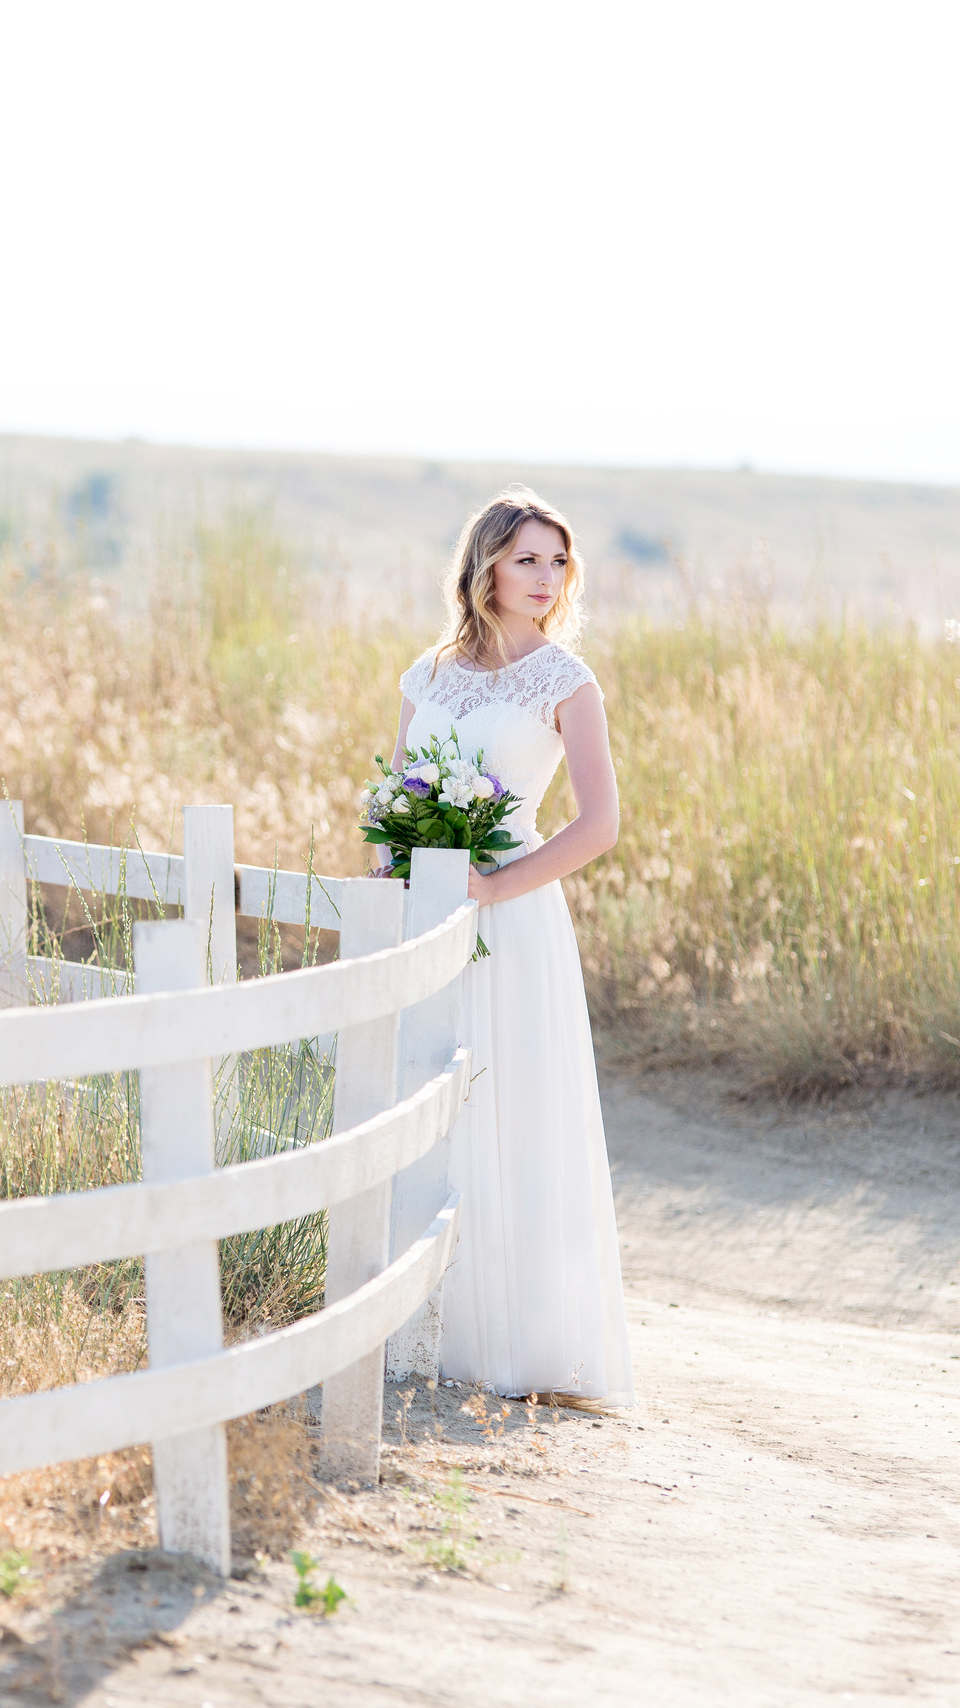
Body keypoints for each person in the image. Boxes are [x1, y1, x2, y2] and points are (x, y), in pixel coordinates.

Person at [390, 486, 635, 1406]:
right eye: (527, 558)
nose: (545, 578)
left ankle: (526, 1347)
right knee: (432, 1104)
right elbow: (400, 799)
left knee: (515, 1108)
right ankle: (431, 1326)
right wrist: (400, 874)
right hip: (429, 910)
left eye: (557, 561)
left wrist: (495, 885)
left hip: (515, 911)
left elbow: (600, 824)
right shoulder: (429, 675)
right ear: (485, 564)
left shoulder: (566, 681)